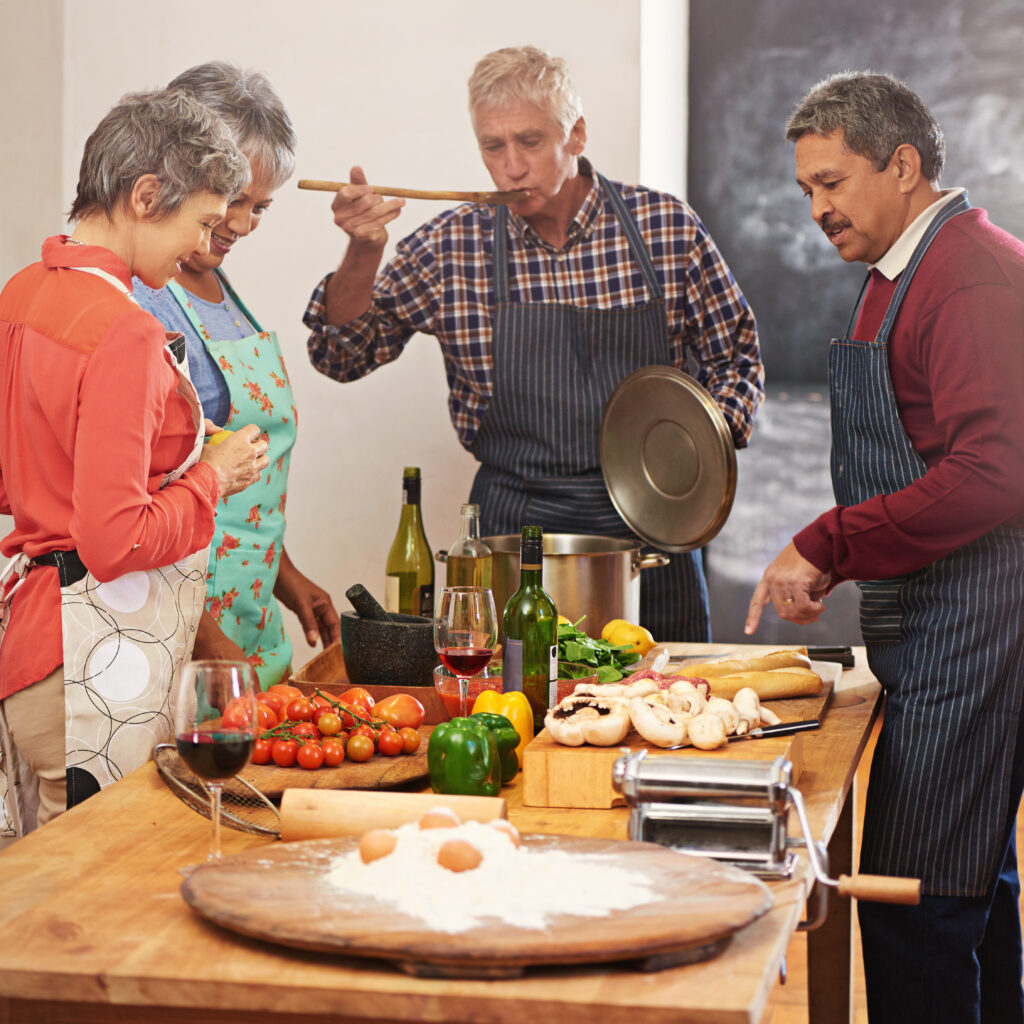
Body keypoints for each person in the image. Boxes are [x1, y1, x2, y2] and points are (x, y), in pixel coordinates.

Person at [303, 45, 763, 643]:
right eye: (493, 147)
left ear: (575, 133)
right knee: (513, 712)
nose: (511, 167)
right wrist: (364, 251)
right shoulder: (451, 247)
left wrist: (699, 452)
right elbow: (340, 355)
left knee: (669, 713)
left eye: (530, 141)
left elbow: (737, 357)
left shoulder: (665, 229)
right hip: (515, 538)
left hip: (654, 531)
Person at [745, 72, 1024, 1023]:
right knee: (972, 895)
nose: (817, 208)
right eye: (805, 191)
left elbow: (993, 472)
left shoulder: (969, 275)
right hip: (935, 620)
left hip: (975, 621)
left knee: (919, 903)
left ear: (902, 165)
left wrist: (828, 539)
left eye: (831, 182)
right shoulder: (901, 274)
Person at [0, 88, 268, 842]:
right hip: (92, 666)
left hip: (31, 655)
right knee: (92, 915)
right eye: (203, 223)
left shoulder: (20, 294)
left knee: (39, 907)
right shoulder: (124, 331)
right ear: (146, 196)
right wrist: (212, 476)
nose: (202, 245)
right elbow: (114, 540)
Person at [135, 62, 340, 689]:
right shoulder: (146, 297)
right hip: (184, 625)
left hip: (249, 612)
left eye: (260, 207)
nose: (242, 224)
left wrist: (286, 574)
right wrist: (204, 635)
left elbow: (237, 477)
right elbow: (140, 498)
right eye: (231, 200)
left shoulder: (219, 284)